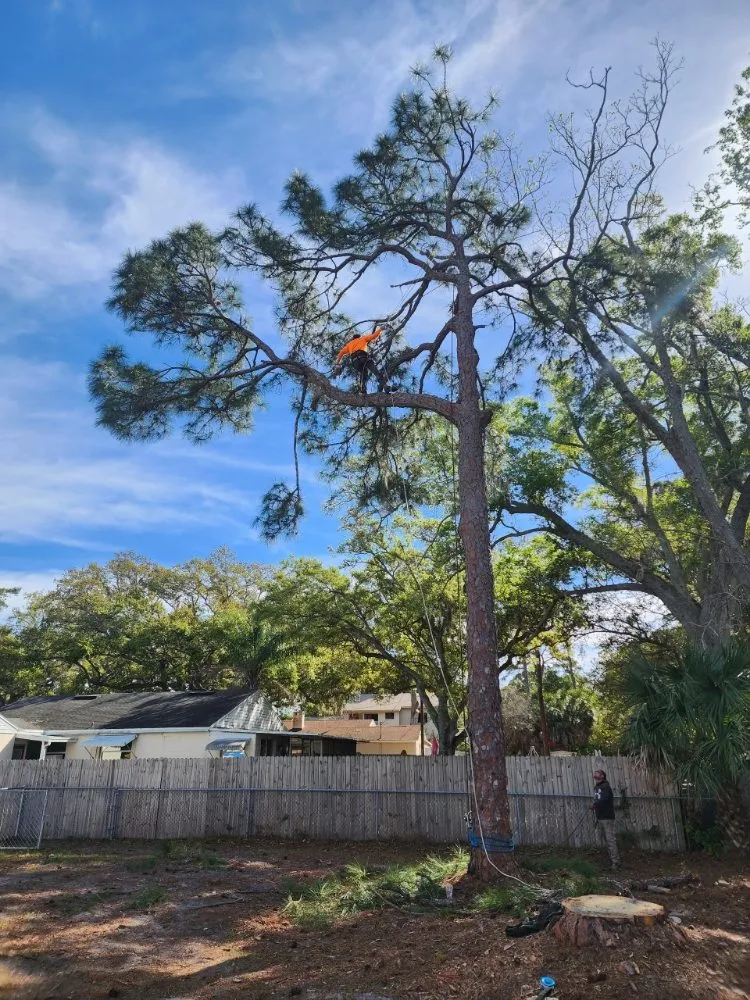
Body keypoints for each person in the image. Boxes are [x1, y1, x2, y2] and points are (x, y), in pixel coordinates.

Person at [334, 327, 383, 392]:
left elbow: (341, 353)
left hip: (355, 361)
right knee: (373, 369)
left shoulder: (349, 344)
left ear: (353, 338)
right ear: (359, 337)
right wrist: (380, 329)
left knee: (364, 373)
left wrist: (338, 363)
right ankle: (383, 384)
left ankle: (363, 388)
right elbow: (373, 336)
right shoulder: (363, 338)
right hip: (363, 356)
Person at [592, 768, 620, 868]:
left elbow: (603, 800)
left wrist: (595, 805)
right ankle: (611, 859)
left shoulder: (606, 787)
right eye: (595, 773)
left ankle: (615, 862)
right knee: (604, 840)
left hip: (607, 817)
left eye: (597, 773)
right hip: (600, 817)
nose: (595, 774)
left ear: (602, 776)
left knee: (610, 839)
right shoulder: (596, 787)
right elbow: (598, 799)